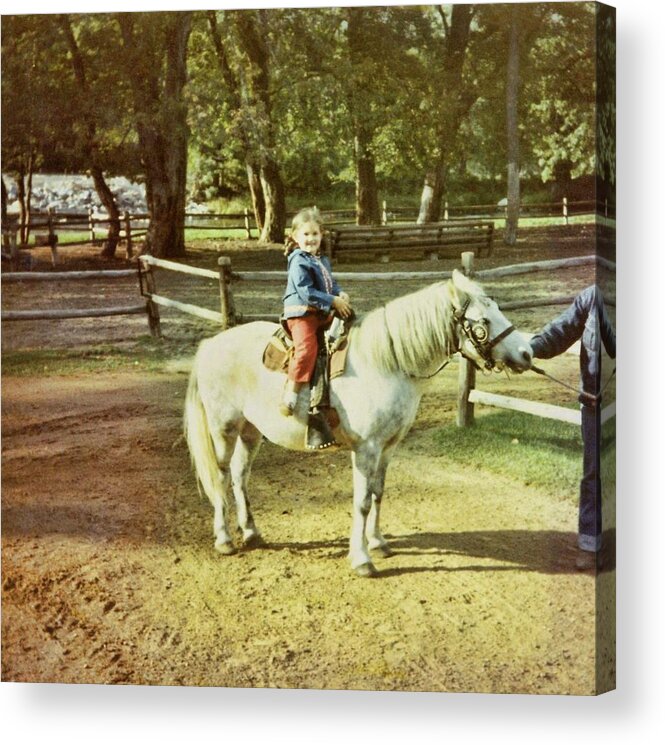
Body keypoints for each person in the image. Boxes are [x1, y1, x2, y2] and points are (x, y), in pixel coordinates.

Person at [529, 285, 616, 570]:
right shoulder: (593, 297)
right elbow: (561, 331)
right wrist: (529, 349)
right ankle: (590, 543)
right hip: (596, 402)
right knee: (594, 472)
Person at [280, 207, 353, 447]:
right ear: (295, 238)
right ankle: (291, 392)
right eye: (306, 235)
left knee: (350, 329)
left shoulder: (322, 260)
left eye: (315, 234)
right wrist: (333, 301)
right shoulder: (298, 261)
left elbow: (329, 284)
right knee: (307, 349)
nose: (311, 239)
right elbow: (307, 292)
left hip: (320, 312)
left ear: (321, 235)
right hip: (301, 312)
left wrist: (339, 293)